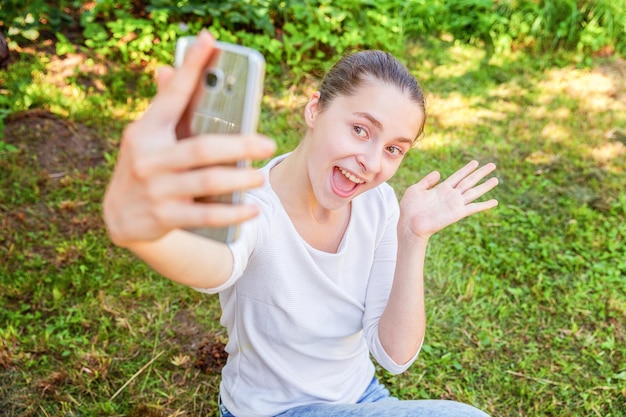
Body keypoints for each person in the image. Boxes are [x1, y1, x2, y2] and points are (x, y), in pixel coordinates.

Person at [103, 31, 498, 417]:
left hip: (361, 397)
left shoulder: (378, 203)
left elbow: (394, 355)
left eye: (394, 148)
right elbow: (212, 266)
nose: (374, 162)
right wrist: (140, 232)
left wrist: (412, 237)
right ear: (315, 110)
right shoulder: (254, 204)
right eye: (361, 129)